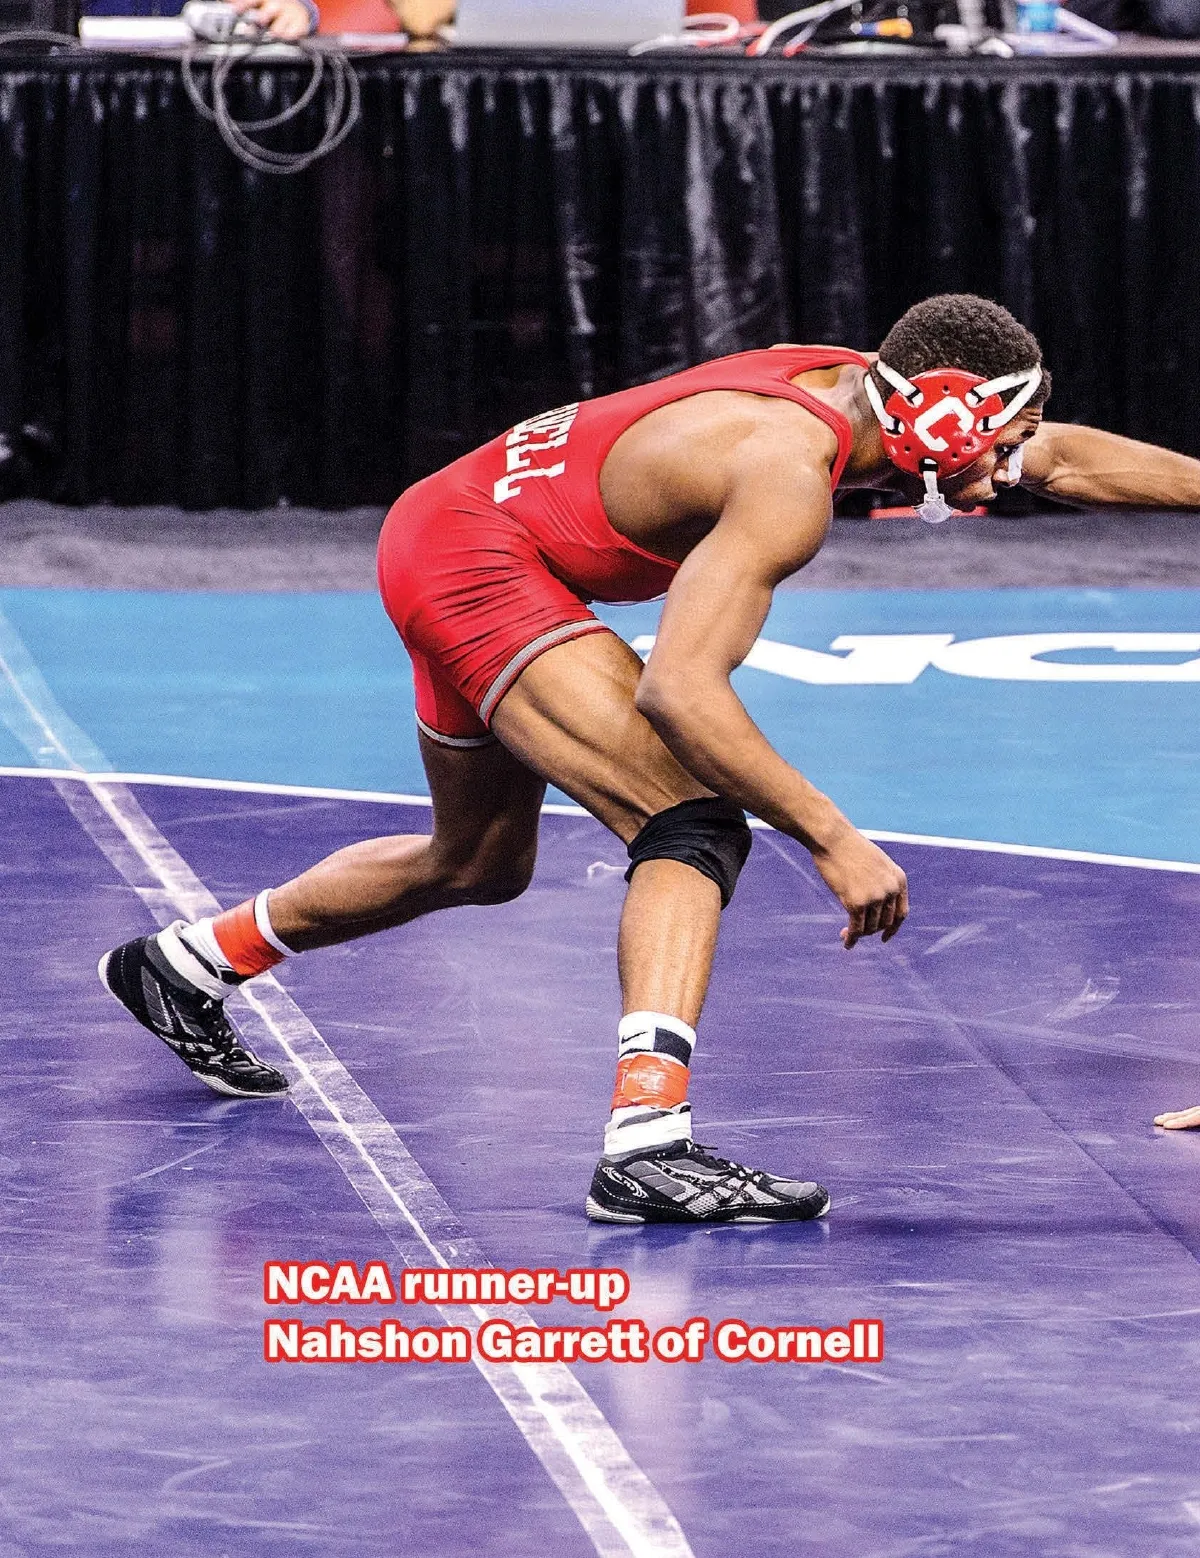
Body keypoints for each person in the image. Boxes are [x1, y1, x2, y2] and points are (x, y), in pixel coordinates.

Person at [99, 293, 1200, 1224]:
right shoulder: (785, 469)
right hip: (480, 561)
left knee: (477, 861)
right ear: (942, 410)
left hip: (450, 525)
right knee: (692, 822)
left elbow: (1065, 457)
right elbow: (680, 690)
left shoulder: (869, 389)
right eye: (1000, 443)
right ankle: (647, 1144)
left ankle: (186, 964)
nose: (1009, 471)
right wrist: (832, 836)